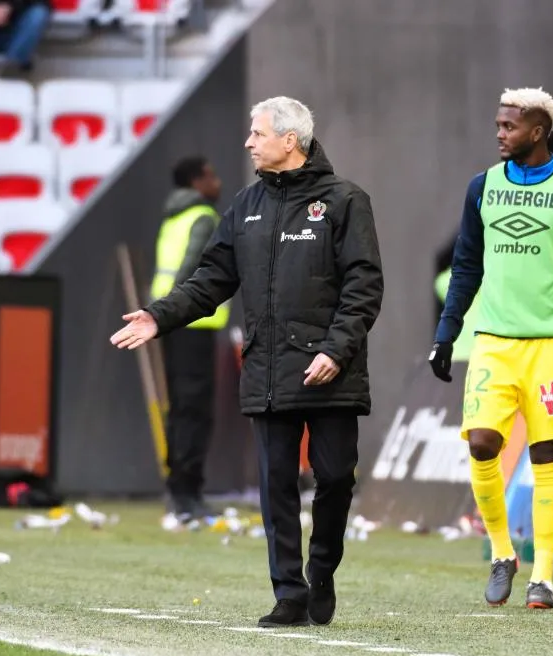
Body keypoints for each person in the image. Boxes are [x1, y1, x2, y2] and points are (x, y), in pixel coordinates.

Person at [111, 96, 384, 628]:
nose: (248, 142)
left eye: (257, 133)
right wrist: (157, 316)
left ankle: (322, 569)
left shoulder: (346, 201)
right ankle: (290, 593)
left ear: (290, 140)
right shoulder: (245, 206)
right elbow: (210, 280)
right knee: (275, 483)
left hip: (332, 370)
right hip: (268, 370)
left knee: (334, 478)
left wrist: (336, 348)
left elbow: (364, 285)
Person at [429, 87, 553, 610]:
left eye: (509, 126)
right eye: (498, 124)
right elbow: (466, 265)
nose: (500, 133)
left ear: (538, 131)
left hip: (552, 346)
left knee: (545, 454)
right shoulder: (481, 188)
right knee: (482, 443)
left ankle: (544, 577)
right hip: (493, 342)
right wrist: (446, 335)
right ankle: (502, 552)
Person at [151, 155, 225, 522]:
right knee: (194, 412)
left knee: (181, 409)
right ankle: (187, 495)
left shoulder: (173, 216)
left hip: (170, 323)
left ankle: (178, 489)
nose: (217, 181)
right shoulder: (203, 217)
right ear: (197, 181)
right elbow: (192, 274)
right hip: (191, 324)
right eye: (211, 175)